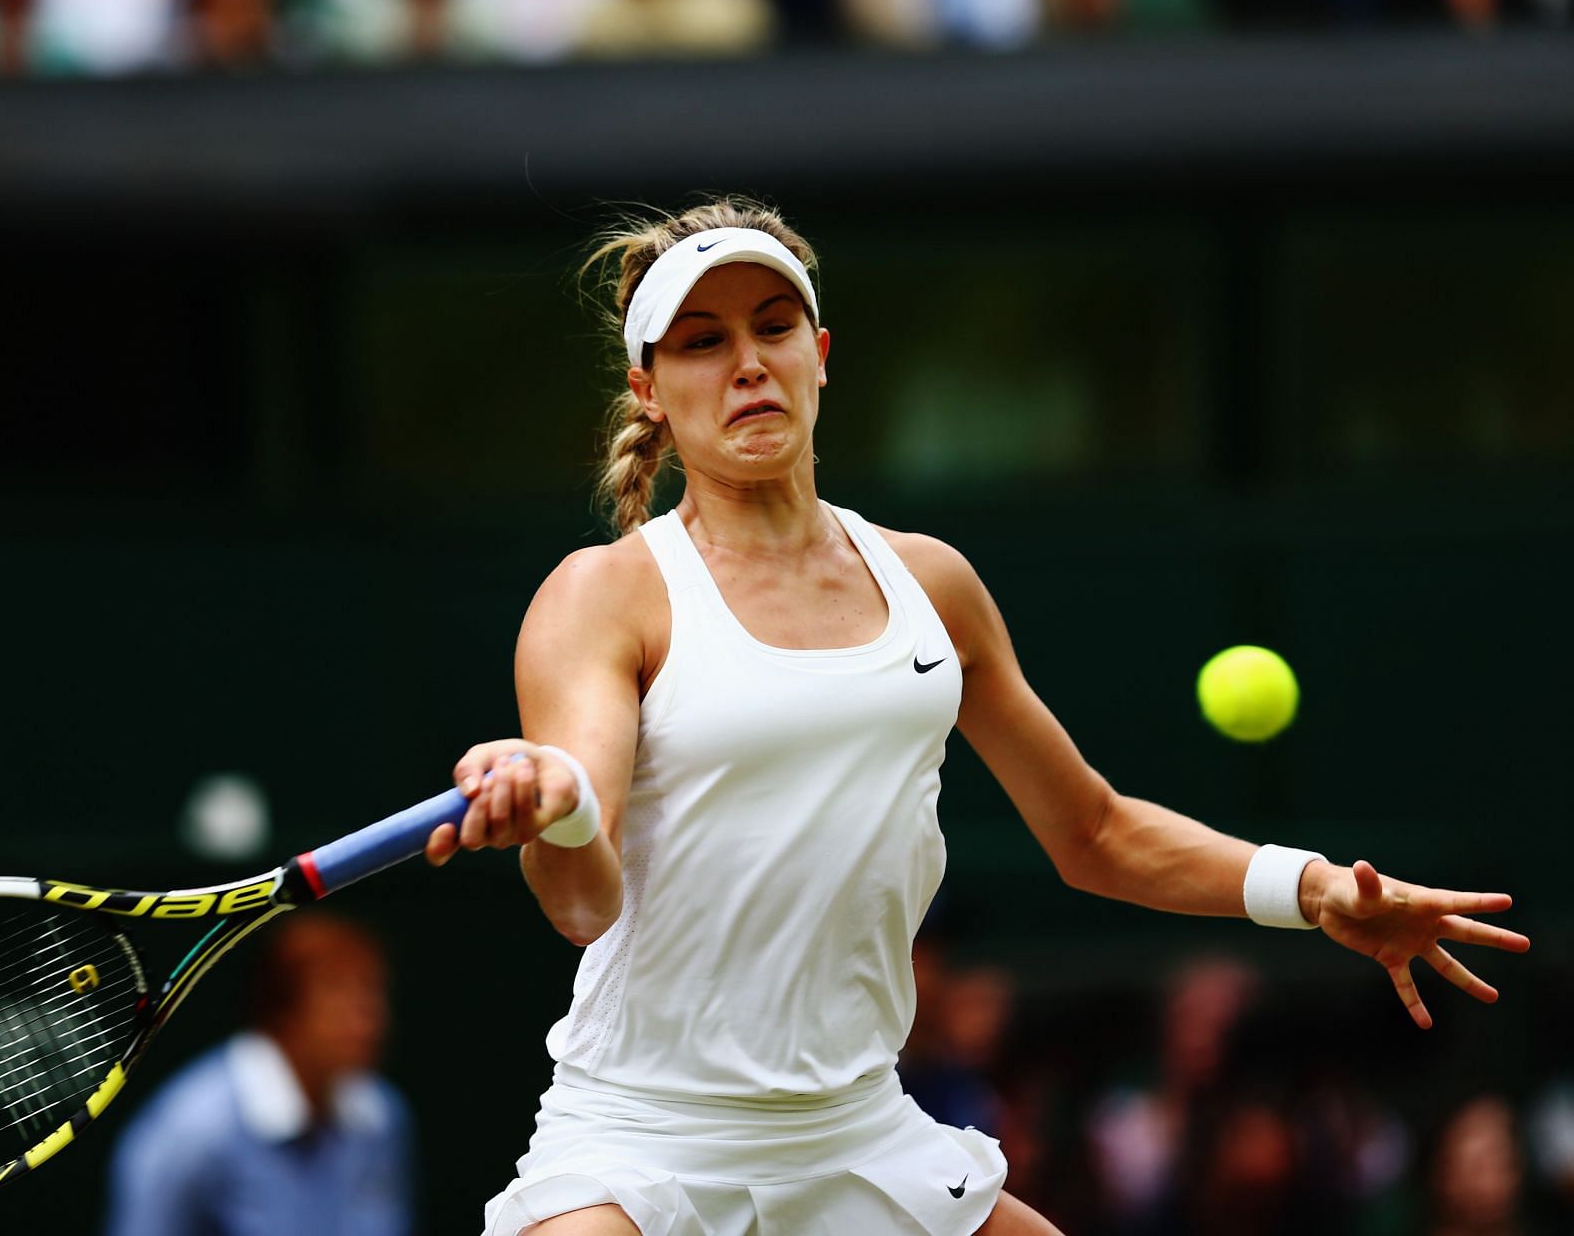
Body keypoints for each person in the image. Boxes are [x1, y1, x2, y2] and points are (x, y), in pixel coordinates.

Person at [423, 197, 1530, 1236]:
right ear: (651, 387)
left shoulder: (932, 585)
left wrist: (1318, 886)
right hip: (645, 1143)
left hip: (861, 1132)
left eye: (774, 325)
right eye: (703, 341)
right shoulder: (602, 595)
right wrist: (559, 808)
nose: (748, 361)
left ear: (823, 353)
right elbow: (580, 900)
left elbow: (1090, 830)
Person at [102, 913, 413, 1236]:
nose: (371, 1018)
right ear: (284, 1011)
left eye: (373, 991)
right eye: (340, 995)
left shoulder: (382, 1117)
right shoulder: (190, 1134)